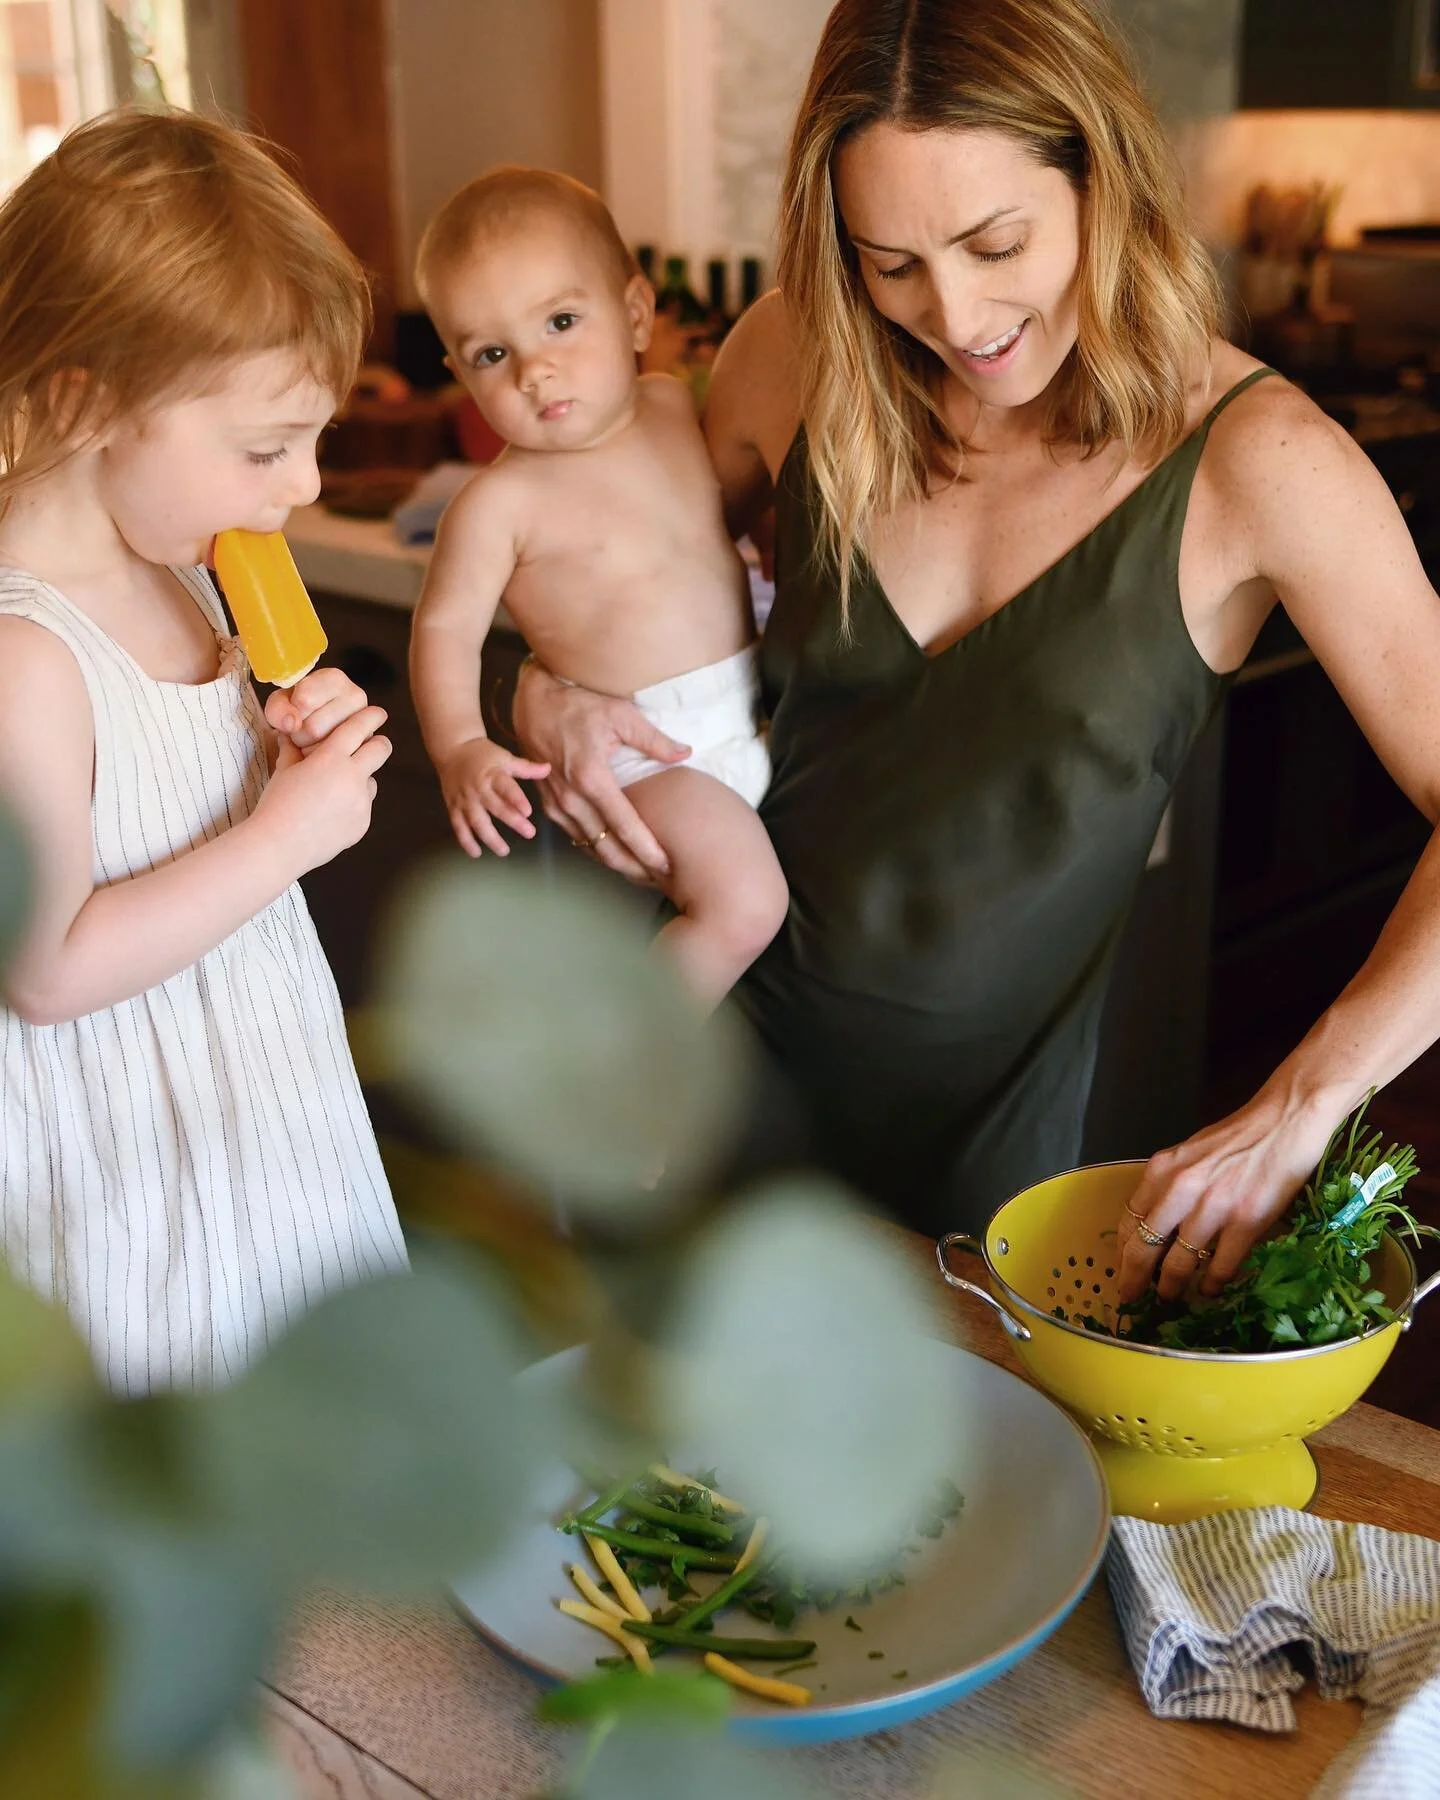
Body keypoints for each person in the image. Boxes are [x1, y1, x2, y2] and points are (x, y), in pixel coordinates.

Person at [511, 0, 1440, 1296]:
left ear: (1097, 174)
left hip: (974, 1189)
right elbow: (616, 578)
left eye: (995, 241)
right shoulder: (788, 357)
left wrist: (1301, 1104)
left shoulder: (1258, 460)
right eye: (889, 262)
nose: (955, 314)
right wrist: (545, 693)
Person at [0, 110, 408, 1394]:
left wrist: (288, 756)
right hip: (123, 1161)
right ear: (85, 401)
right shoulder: (24, 662)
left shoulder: (188, 581)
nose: (301, 488)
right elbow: (46, 969)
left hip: (255, 1107)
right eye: (264, 448)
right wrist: (283, 835)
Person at [409, 167, 787, 1008]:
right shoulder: (497, 505)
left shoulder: (669, 408)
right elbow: (443, 632)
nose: (536, 372)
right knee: (744, 907)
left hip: (755, 705)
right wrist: (459, 747)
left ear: (637, 314)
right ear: (459, 372)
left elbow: (717, 530)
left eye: (562, 322)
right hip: (645, 745)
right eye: (493, 354)